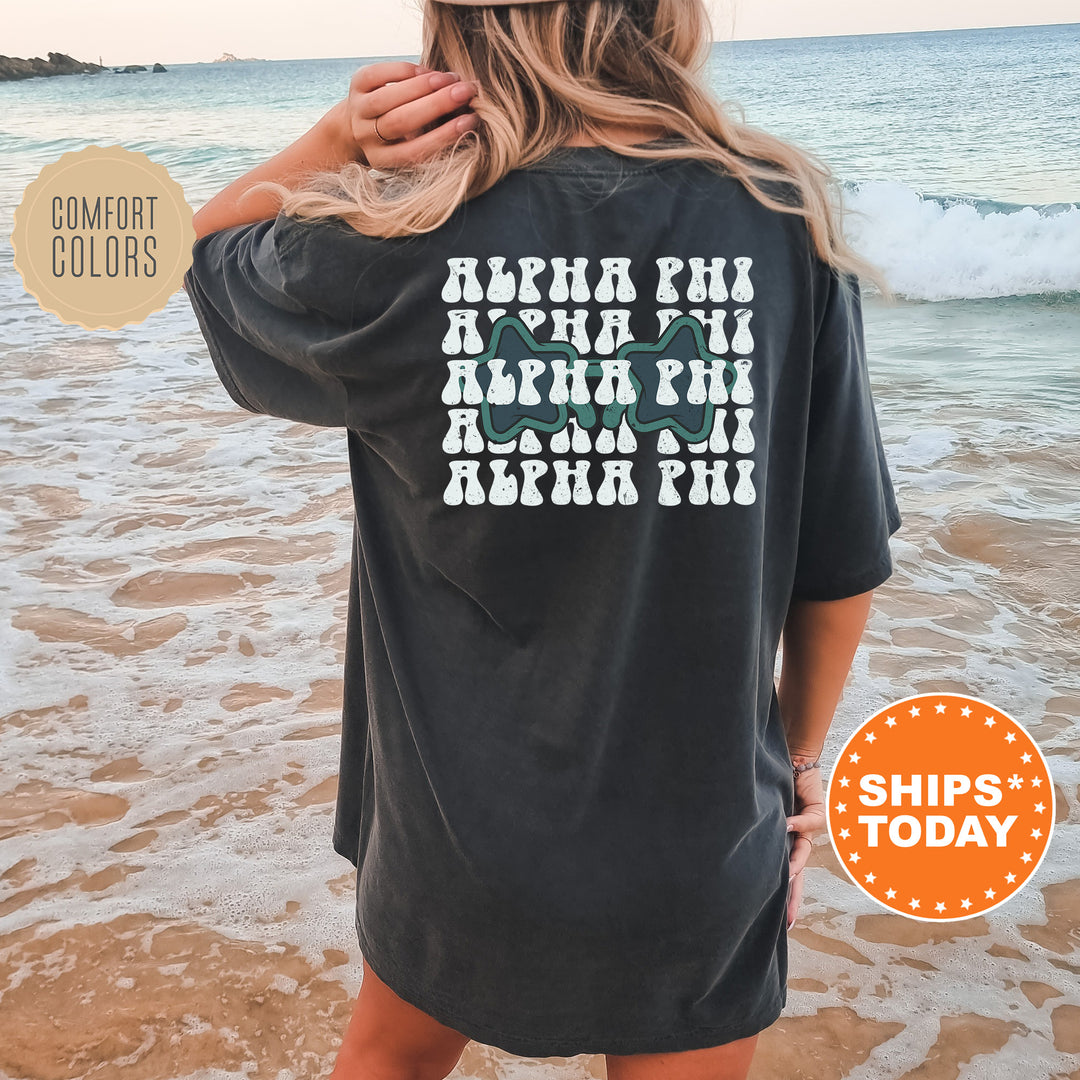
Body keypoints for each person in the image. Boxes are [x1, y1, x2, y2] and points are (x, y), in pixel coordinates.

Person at [182, 0, 903, 1076]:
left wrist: (339, 142)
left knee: (388, 1058)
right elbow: (841, 561)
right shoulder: (778, 220)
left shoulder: (391, 237)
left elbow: (202, 252)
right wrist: (800, 764)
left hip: (454, 834)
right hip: (697, 831)